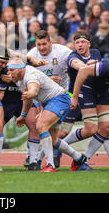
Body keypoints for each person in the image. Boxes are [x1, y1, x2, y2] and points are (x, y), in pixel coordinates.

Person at [10, 56, 86, 173]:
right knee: (54, 140)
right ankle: (78, 157)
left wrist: (29, 94)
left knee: (40, 126)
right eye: (8, 70)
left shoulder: (30, 75)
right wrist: (23, 115)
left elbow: (33, 91)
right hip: (51, 101)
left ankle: (50, 165)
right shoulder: (19, 79)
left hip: (59, 99)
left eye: (11, 70)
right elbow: (28, 98)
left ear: (20, 69)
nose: (9, 73)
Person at [24, 30, 72, 169]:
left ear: (50, 42)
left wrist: (71, 68)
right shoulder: (32, 55)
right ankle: (33, 157)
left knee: (52, 132)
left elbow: (76, 61)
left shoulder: (63, 52)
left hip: (59, 95)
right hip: (38, 95)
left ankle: (44, 159)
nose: (42, 48)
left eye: (44, 44)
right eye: (39, 44)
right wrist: (47, 80)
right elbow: (27, 75)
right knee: (37, 126)